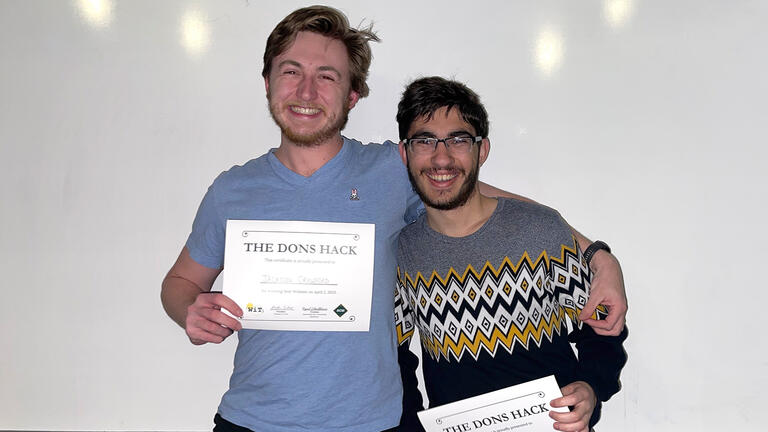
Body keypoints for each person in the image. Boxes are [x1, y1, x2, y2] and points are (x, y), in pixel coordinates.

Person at [160, 6, 627, 431]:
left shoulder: (392, 169)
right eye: (291, 72)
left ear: (353, 95)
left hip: (376, 425)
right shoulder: (232, 189)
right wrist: (189, 310)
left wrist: (597, 256)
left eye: (327, 76)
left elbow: (469, 189)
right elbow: (179, 281)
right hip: (252, 421)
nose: (306, 91)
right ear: (267, 81)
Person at [394, 77, 628, 432]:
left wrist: (591, 387)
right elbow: (395, 359)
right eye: (425, 141)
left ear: (482, 150)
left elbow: (601, 323)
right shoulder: (402, 251)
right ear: (404, 153)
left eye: (458, 140)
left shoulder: (540, 230)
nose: (441, 157)